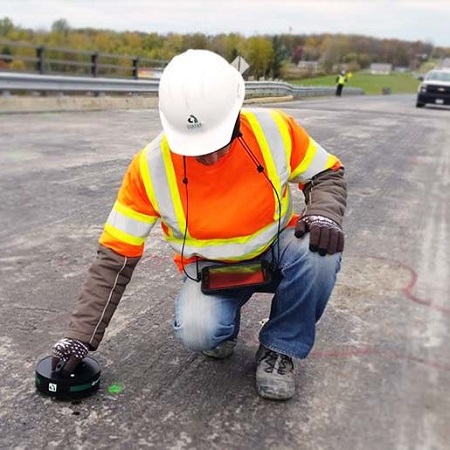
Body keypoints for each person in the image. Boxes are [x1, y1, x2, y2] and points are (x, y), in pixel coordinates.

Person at [50, 49, 347, 401]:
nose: (210, 157)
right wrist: (79, 337)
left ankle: (280, 347)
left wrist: (325, 211)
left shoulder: (274, 130)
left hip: (275, 249)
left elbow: (326, 172)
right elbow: (114, 256)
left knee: (319, 251)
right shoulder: (150, 167)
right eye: (196, 148)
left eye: (217, 142)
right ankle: (223, 328)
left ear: (237, 111)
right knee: (199, 332)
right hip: (212, 269)